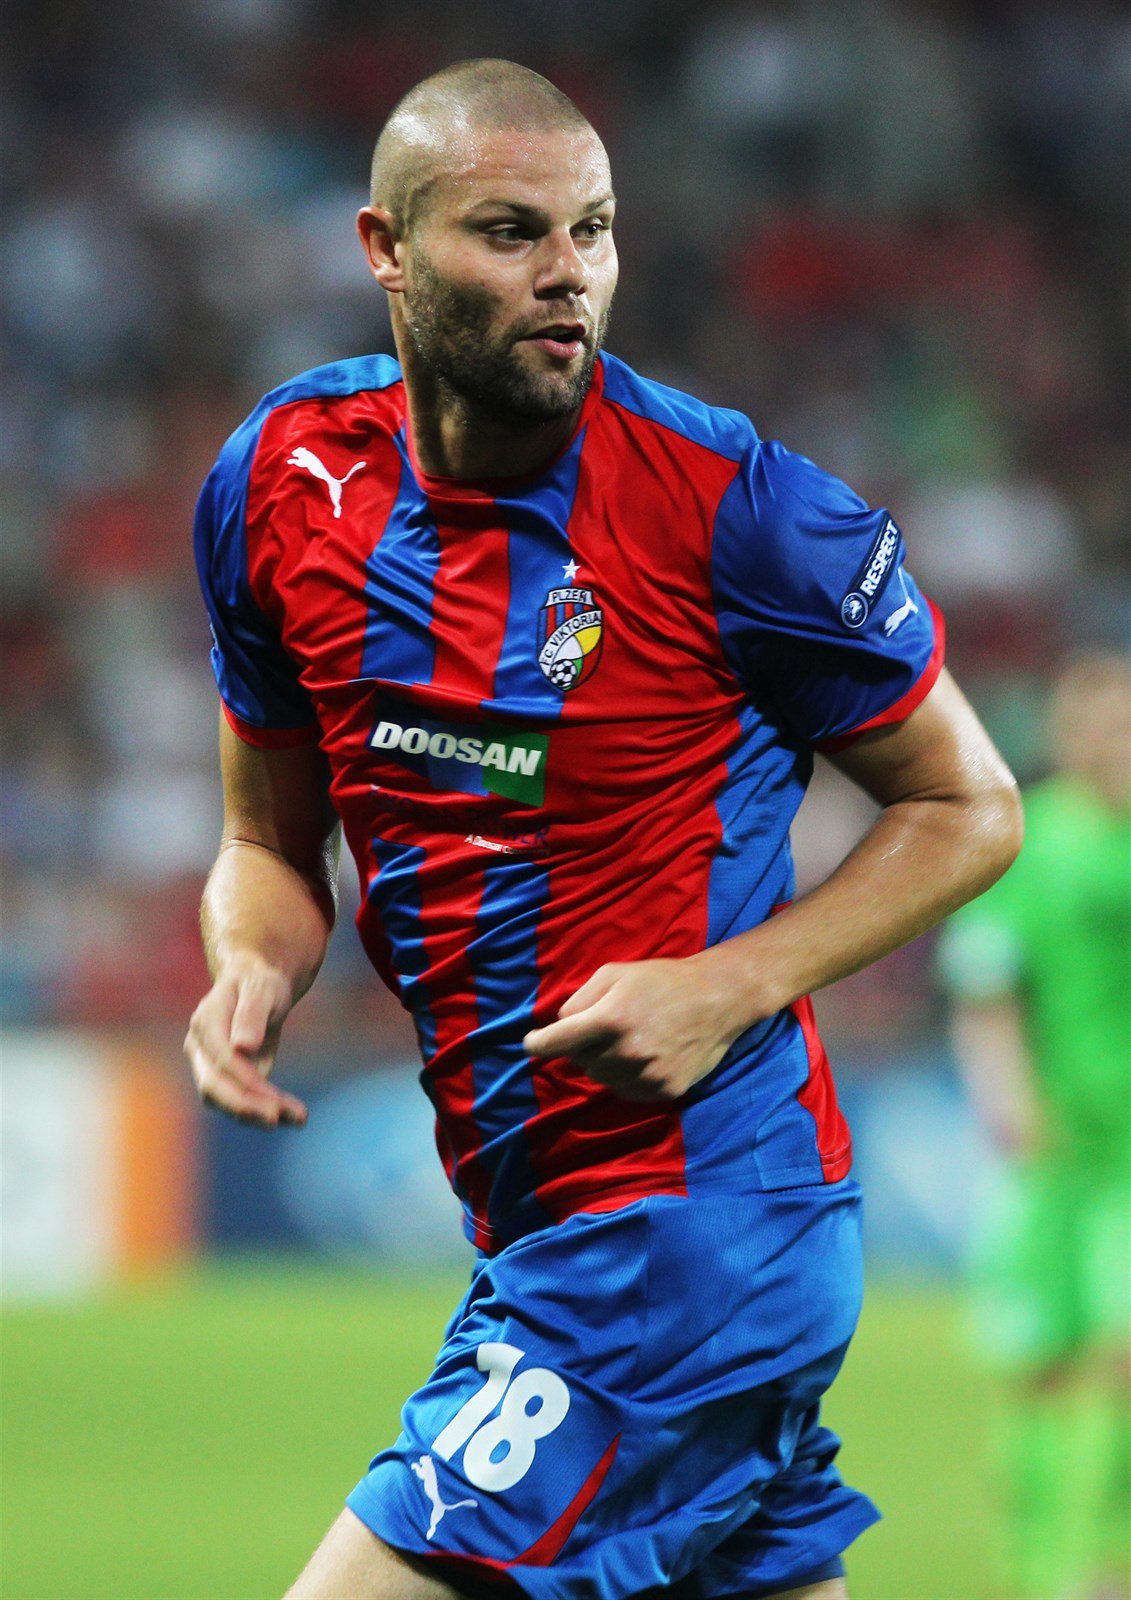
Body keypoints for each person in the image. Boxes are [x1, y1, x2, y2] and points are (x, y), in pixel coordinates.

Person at [184, 58, 1022, 1600]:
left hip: (685, 1234)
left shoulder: (735, 509)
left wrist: (728, 983)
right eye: (511, 232)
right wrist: (250, 965)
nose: (567, 271)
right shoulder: (285, 483)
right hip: (541, 1221)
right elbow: (265, 847)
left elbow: (967, 805)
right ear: (385, 249)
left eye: (593, 228)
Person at [940, 650, 1130, 1600]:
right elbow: (985, 985)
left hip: (1127, 1157)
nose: (1116, 744)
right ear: (1068, 734)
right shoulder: (1031, 839)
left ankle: (1101, 1559)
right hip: (1053, 1148)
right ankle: (1038, 1569)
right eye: (1102, 725)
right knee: (1038, 1363)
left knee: (1125, 1348)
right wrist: (1005, 1098)